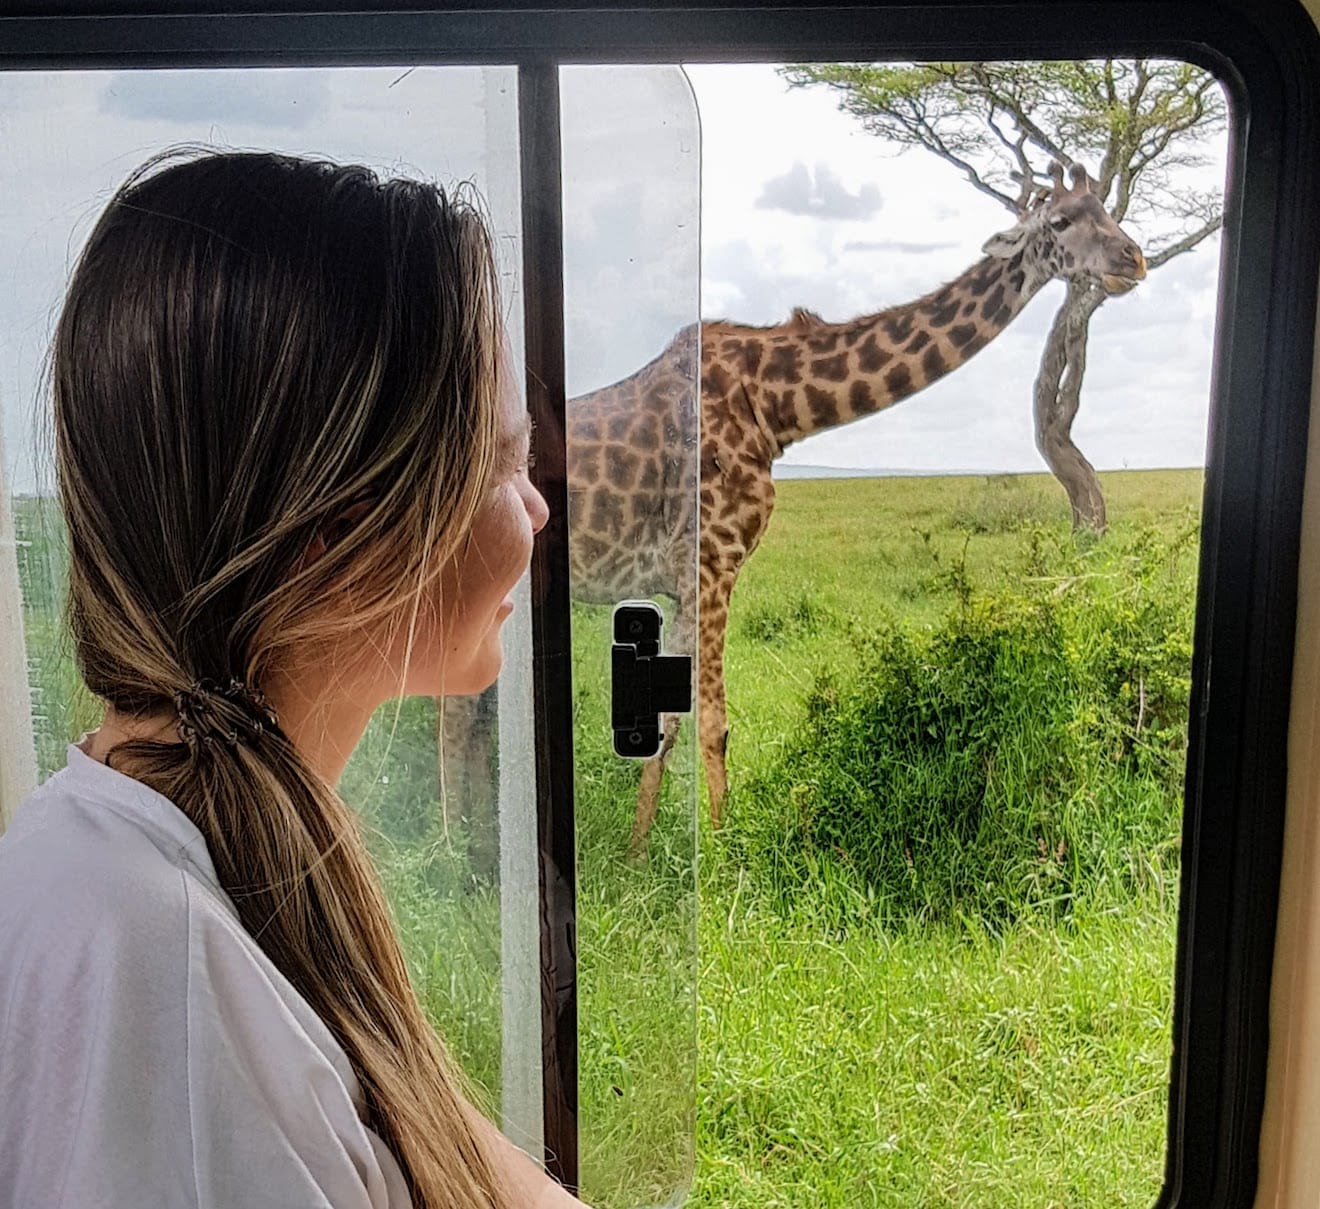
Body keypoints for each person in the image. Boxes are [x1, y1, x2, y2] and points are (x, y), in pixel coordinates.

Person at [0, 149, 587, 1208]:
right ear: (338, 540)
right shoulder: (167, 981)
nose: (537, 509)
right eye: (504, 463)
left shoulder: (183, 855)